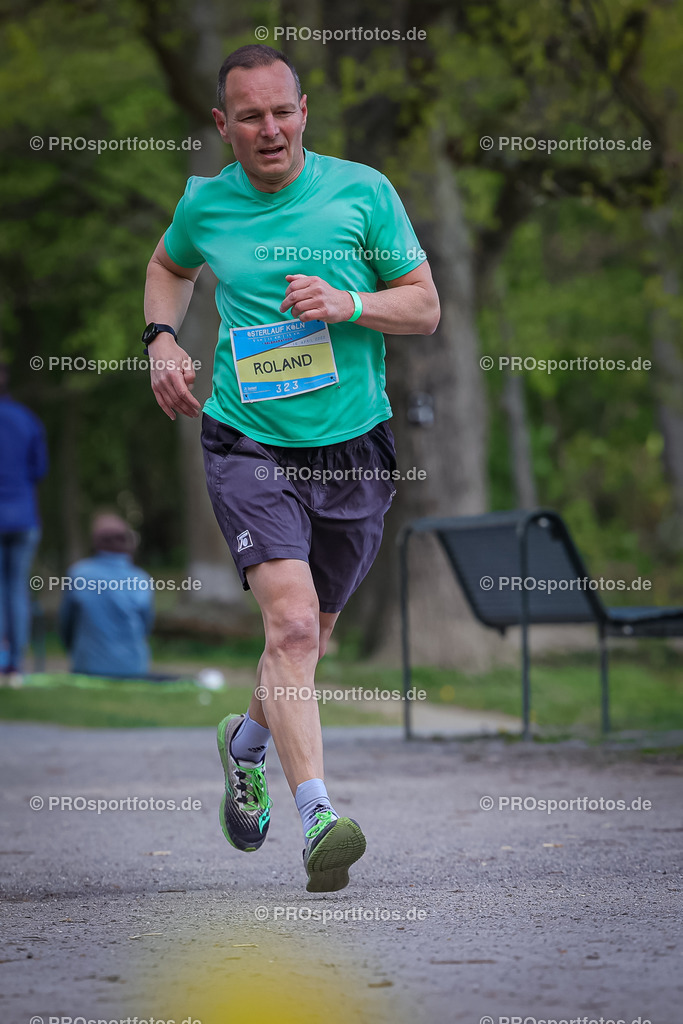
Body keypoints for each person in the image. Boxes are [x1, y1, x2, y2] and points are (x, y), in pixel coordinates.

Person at [143, 44, 440, 892]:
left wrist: (350, 302)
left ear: (304, 111)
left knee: (308, 639)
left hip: (353, 444)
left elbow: (424, 307)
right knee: (294, 628)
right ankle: (318, 817)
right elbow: (168, 267)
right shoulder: (205, 204)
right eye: (250, 116)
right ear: (223, 124)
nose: (269, 129)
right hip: (248, 441)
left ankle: (245, 745)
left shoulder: (362, 192)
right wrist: (161, 339)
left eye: (282, 111)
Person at [59, 514, 154, 678]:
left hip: (88, 666)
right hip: (133, 667)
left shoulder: (79, 574)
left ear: (95, 542)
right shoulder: (140, 579)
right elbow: (146, 626)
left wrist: (74, 651)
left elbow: (67, 623)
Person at [0, 363, 48, 687]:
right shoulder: (27, 419)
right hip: (23, 516)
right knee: (17, 590)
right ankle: (15, 665)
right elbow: (39, 469)